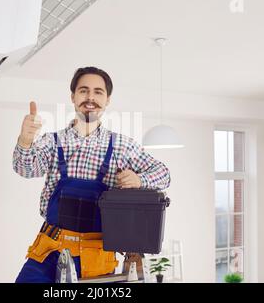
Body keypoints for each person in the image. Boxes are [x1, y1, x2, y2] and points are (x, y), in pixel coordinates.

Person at [13, 66, 171, 283]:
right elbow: (25, 168)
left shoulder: (122, 146)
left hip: (95, 256)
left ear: (107, 100)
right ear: (73, 97)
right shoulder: (52, 141)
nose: (90, 97)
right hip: (50, 249)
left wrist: (139, 179)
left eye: (98, 92)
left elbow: (164, 174)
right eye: (84, 90)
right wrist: (25, 139)